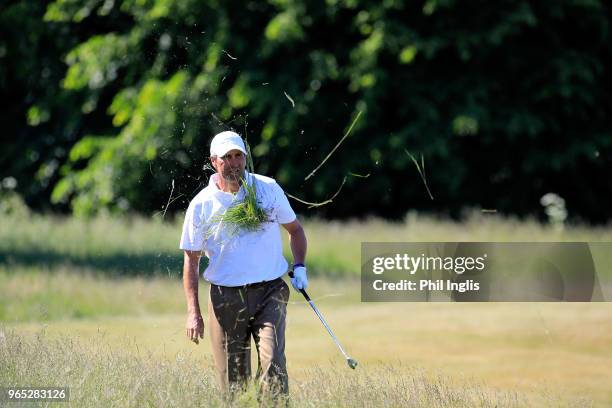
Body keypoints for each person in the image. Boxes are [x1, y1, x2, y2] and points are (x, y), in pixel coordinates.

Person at [180, 130, 308, 396]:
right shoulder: (202, 205)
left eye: (239, 156)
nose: (235, 163)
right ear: (214, 161)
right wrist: (193, 312)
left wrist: (299, 266)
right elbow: (191, 261)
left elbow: (295, 230)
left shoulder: (267, 189)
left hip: (270, 291)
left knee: (274, 368)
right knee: (233, 385)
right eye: (227, 157)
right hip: (225, 298)